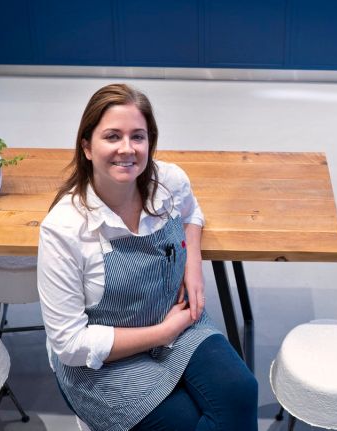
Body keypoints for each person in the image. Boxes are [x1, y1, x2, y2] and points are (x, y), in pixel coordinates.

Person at [37, 83, 258, 431]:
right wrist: (162, 332)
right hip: (103, 362)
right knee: (185, 421)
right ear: (87, 146)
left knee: (241, 391)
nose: (127, 149)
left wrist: (193, 266)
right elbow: (70, 344)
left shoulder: (166, 181)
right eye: (112, 136)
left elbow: (192, 213)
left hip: (176, 319)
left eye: (137, 137)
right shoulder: (64, 229)